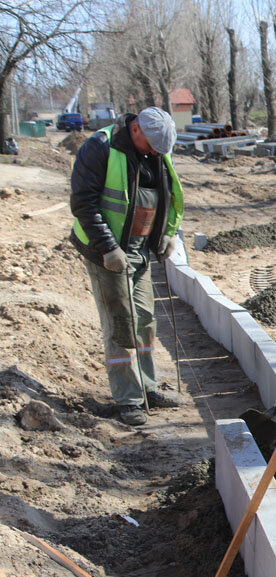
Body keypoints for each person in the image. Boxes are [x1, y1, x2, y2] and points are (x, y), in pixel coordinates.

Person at [69, 107, 184, 426]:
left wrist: (168, 234)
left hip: (140, 249)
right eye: (150, 146)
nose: (155, 153)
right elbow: (83, 203)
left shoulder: (157, 149)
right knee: (121, 323)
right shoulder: (100, 147)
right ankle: (128, 399)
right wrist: (107, 248)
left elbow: (171, 196)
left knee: (145, 319)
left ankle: (148, 388)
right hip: (108, 251)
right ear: (136, 130)